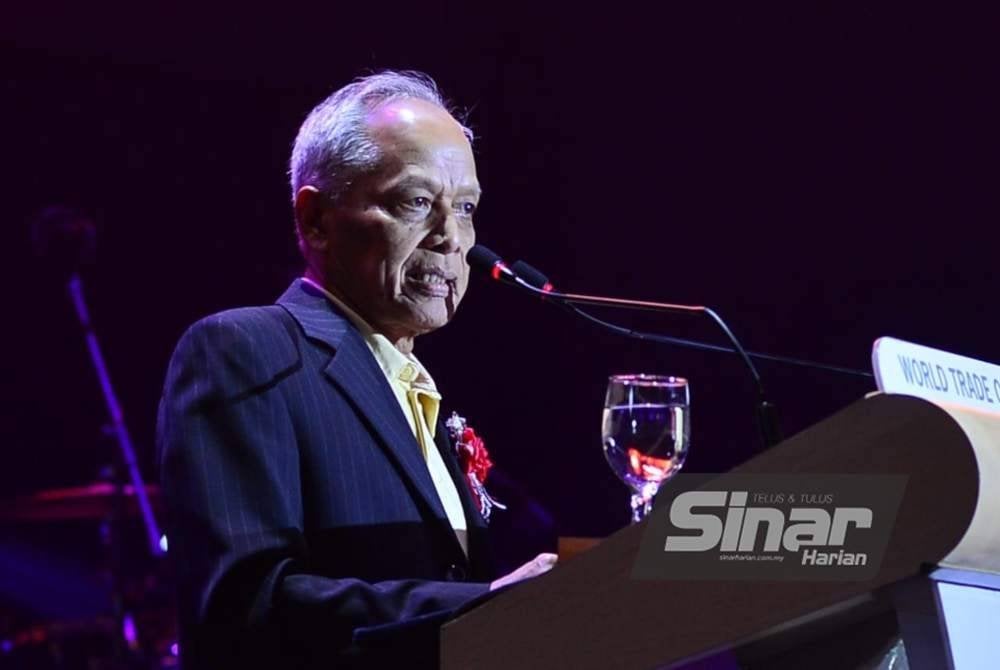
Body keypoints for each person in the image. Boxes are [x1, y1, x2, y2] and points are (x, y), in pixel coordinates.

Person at [156, 70, 557, 669]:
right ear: (316, 219)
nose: (452, 238)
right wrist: (482, 608)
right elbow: (245, 605)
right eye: (416, 201)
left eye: (466, 207)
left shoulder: (413, 385)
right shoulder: (244, 350)